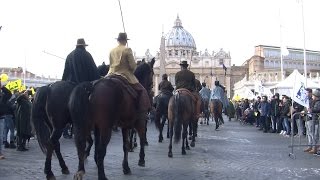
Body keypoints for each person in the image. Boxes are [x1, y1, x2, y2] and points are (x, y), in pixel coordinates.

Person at [62, 38, 100, 138]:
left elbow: (65, 74)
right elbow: (94, 72)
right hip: (84, 86)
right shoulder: (87, 55)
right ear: (84, 46)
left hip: (70, 85)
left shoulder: (69, 55)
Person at [108, 32, 151, 115]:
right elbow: (133, 66)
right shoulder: (127, 49)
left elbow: (110, 64)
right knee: (142, 91)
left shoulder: (112, 51)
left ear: (118, 40)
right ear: (125, 41)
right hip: (125, 75)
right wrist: (132, 69)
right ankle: (142, 111)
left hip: (111, 74)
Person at [0, 79, 12, 159]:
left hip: (0, 118)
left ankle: (0, 152)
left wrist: (2, 87)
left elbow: (9, 94)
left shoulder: (2, 96)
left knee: (0, 137)